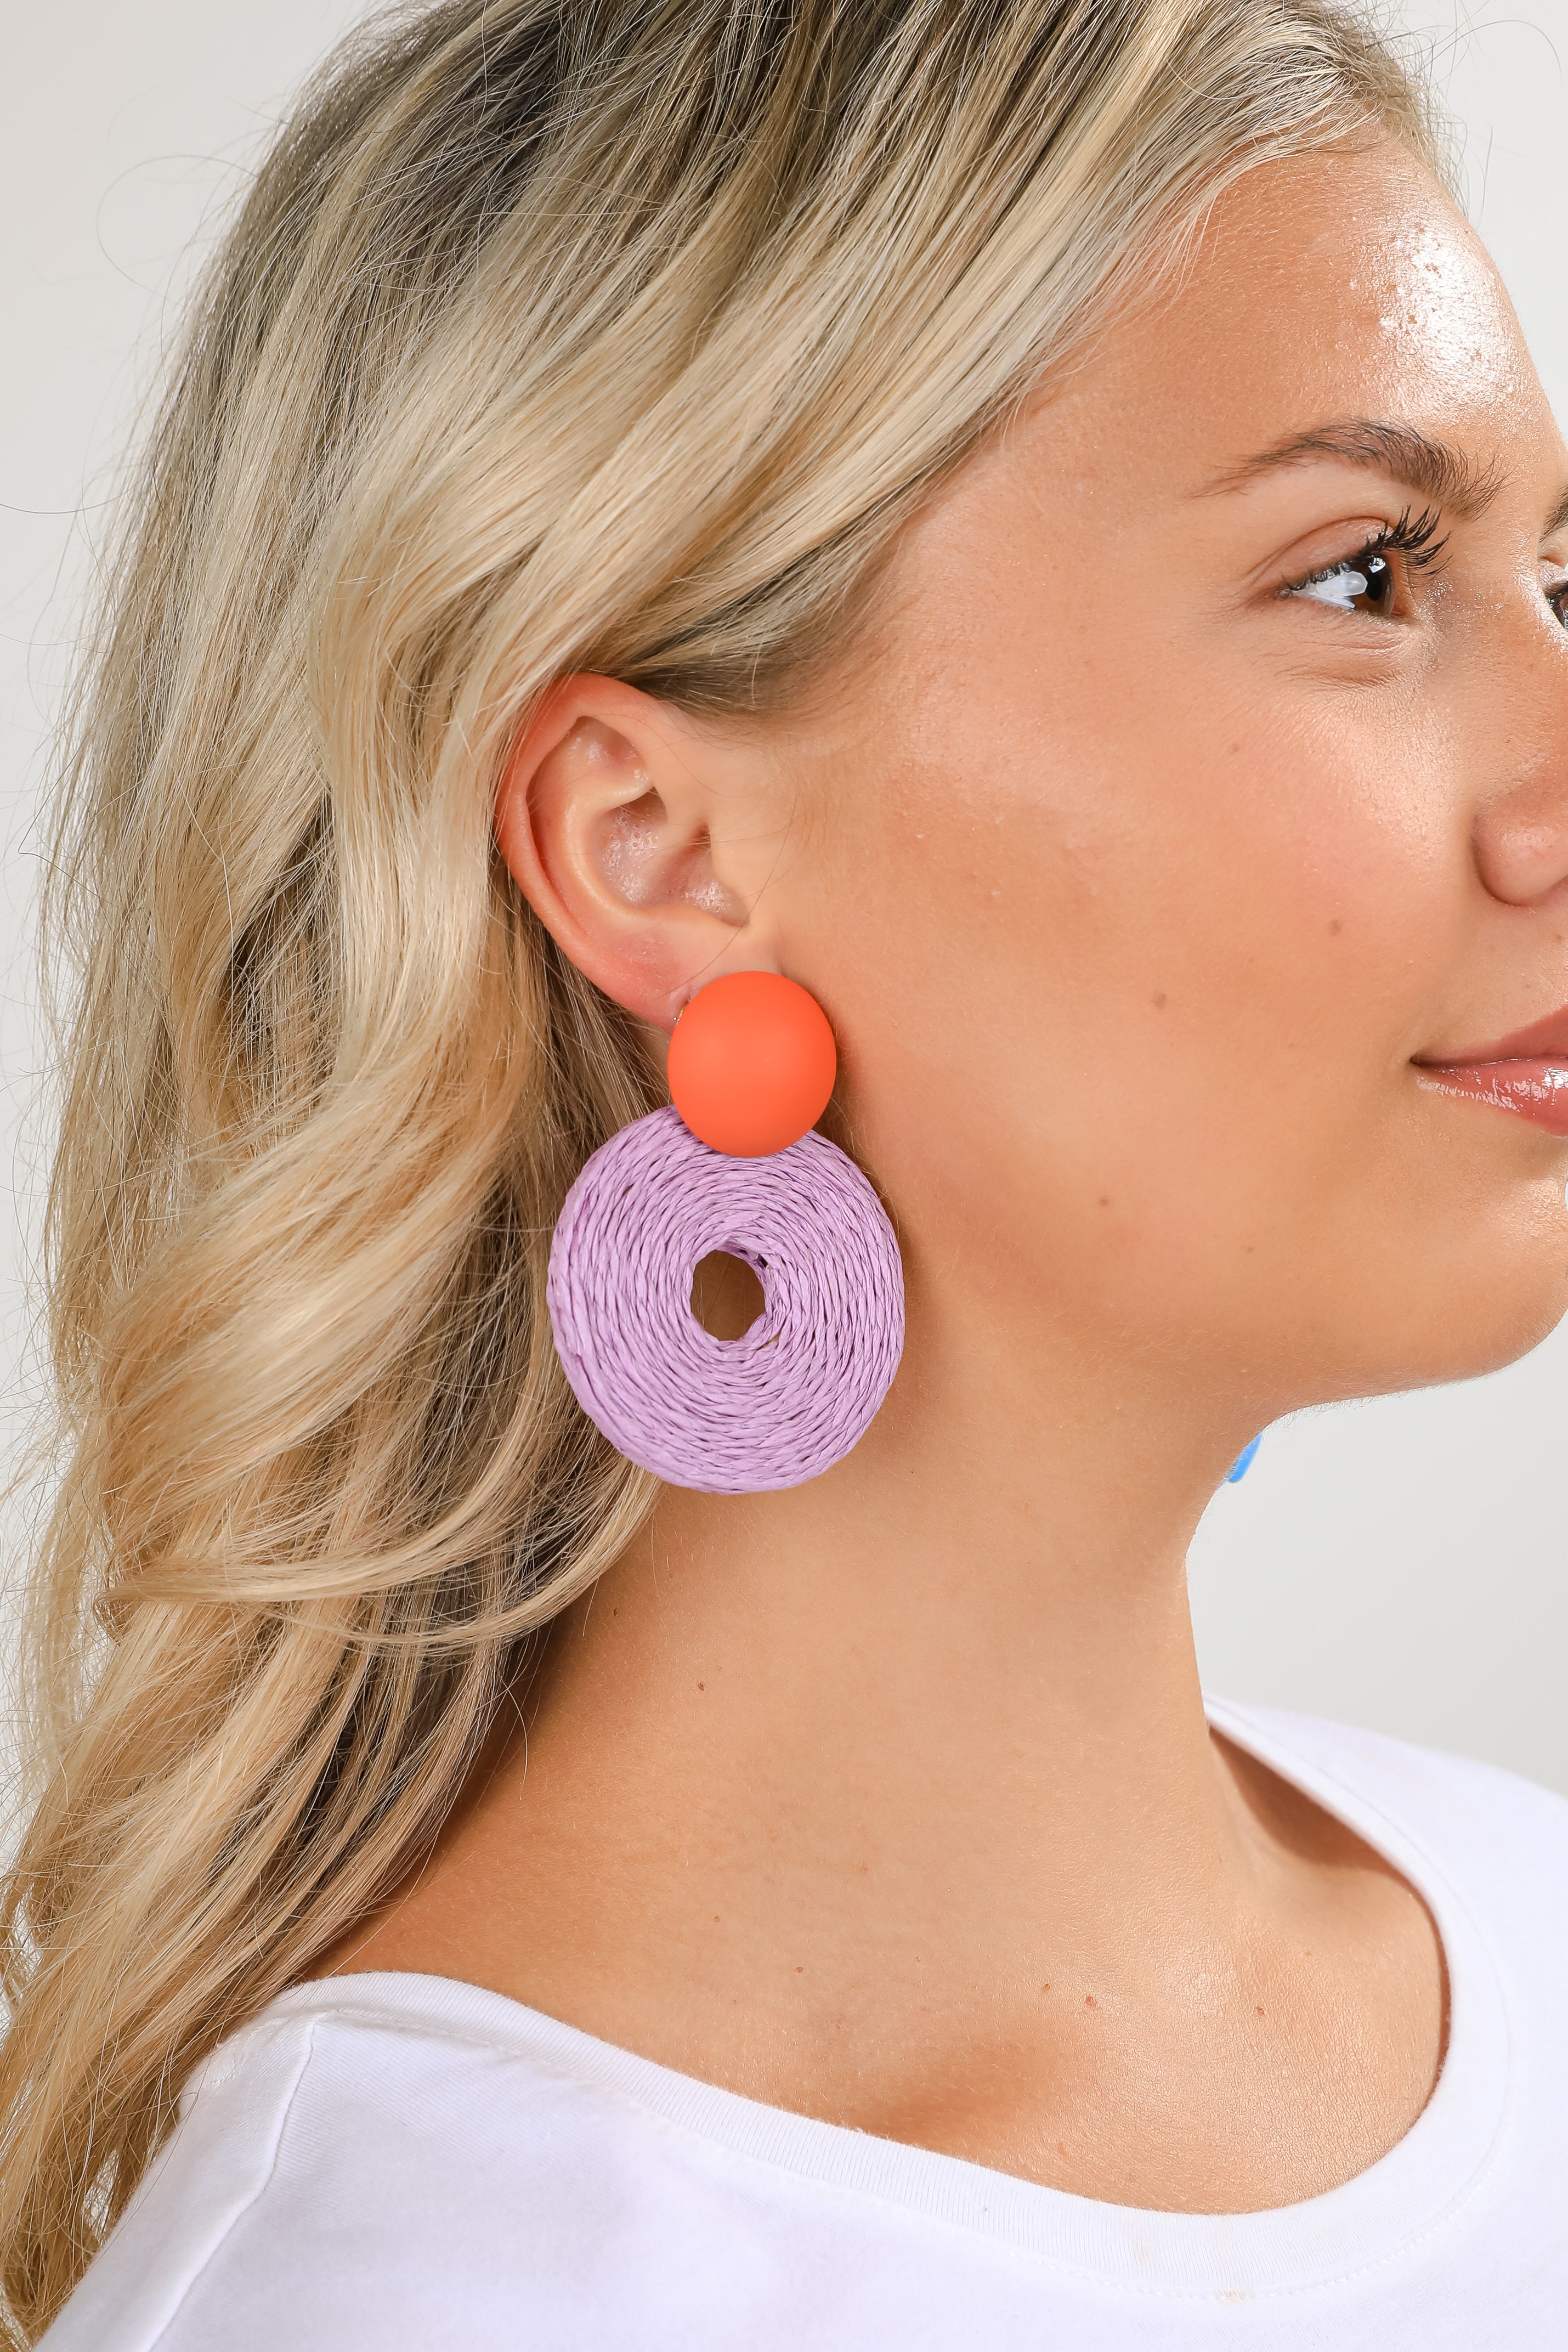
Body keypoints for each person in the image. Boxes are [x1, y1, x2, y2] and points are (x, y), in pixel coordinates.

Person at [6, 0, 1567, 2340]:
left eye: (1562, 574)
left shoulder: (1530, 1935)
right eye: (1362, 575)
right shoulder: (390, 2293)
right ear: (651, 843)